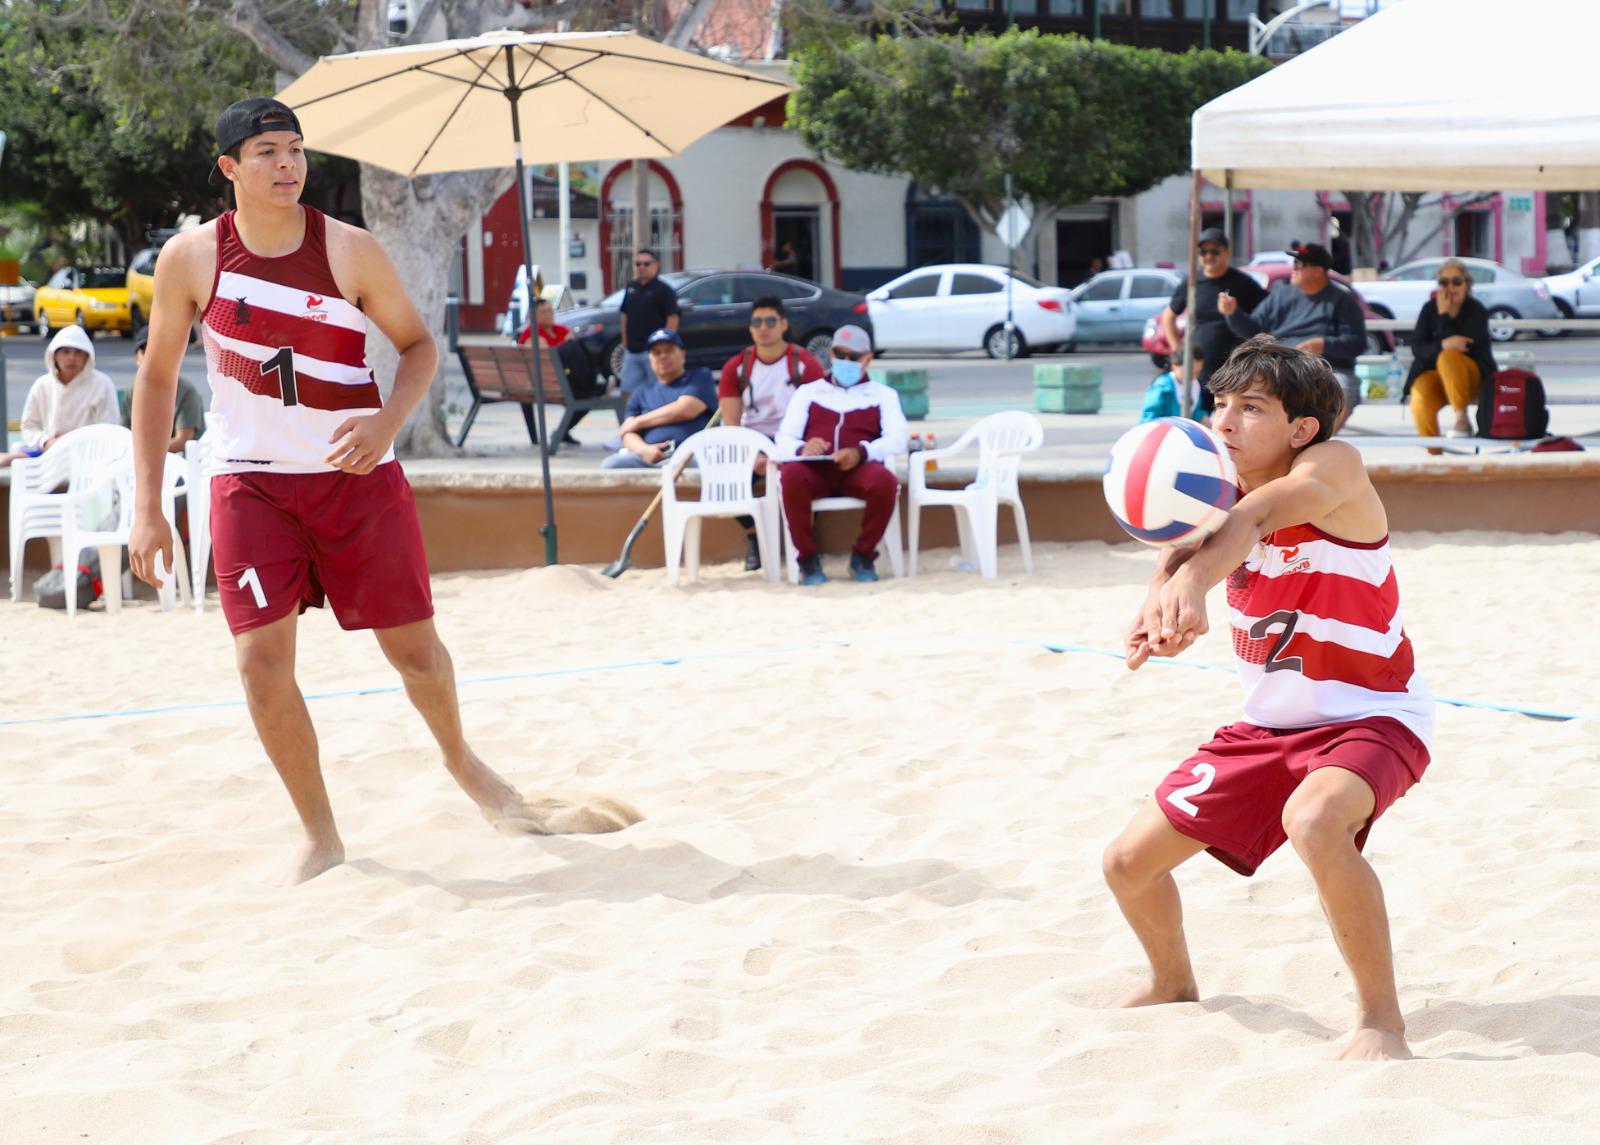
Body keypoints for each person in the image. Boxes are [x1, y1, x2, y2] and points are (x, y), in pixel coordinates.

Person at [127, 96, 636, 885]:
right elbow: (158, 375)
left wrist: (386, 423)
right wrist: (148, 505)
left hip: (357, 483)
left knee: (418, 657)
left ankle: (464, 763)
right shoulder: (190, 259)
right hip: (249, 486)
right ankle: (321, 834)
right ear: (229, 169)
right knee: (260, 665)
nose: (288, 164)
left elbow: (419, 346)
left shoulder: (350, 250)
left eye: (295, 149)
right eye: (266, 152)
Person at [1102, 335, 1433, 1062]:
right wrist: (1160, 603)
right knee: (1127, 864)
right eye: (1220, 403)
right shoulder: (1214, 494)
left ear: (1300, 428)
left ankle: (1381, 1019)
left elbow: (1249, 523)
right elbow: (1191, 542)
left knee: (1314, 821)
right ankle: (1172, 982)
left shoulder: (1333, 468)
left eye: (1251, 407)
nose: (1224, 421)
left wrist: (1189, 585)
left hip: (1372, 716)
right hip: (1267, 729)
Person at [775, 324, 908, 586]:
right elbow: (783, 438)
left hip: (859, 470)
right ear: (831, 355)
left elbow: (897, 439)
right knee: (790, 476)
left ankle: (863, 555)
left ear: (867, 359)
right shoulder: (809, 392)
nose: (845, 362)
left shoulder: (883, 395)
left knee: (886, 483)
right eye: (840, 354)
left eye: (854, 357)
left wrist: (861, 452)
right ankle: (807, 558)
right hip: (816, 471)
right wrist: (804, 448)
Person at [716, 295, 827, 571]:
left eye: (770, 321)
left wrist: (791, 451)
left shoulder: (805, 363)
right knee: (723, 477)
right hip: (753, 440)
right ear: (750, 327)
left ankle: (808, 540)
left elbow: (820, 415)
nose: (763, 327)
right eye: (756, 321)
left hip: (795, 438)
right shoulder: (736, 367)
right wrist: (749, 455)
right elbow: (731, 425)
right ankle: (753, 535)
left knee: (811, 473)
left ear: (783, 324)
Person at [1220, 243, 1367, 433]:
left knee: (1343, 390)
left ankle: (1318, 443)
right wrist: (1233, 313)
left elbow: (1357, 342)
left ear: (1318, 271)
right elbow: (1254, 330)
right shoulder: (1280, 296)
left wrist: (1323, 345)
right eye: (1294, 264)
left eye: (1300, 265)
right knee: (1248, 391)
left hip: (1329, 369)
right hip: (1281, 366)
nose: (1294, 269)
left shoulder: (1342, 301)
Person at [1159, 227, 1267, 418]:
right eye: (1203, 252)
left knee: (1229, 417)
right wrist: (1179, 353)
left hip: (1235, 367)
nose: (1209, 256)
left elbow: (1267, 315)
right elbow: (1168, 316)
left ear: (1227, 253)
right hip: (1199, 369)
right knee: (1200, 418)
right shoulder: (1192, 282)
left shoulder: (1243, 282)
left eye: (1215, 251)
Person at [1404, 258, 1496, 442]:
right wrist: (1443, 344)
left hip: (1471, 379)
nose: (1450, 287)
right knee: (1420, 394)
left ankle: (1462, 418)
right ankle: (1434, 455)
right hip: (1436, 376)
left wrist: (1444, 317)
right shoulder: (1429, 309)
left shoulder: (1476, 311)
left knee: (1449, 357)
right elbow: (1417, 348)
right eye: (1444, 282)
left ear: (1466, 284)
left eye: (1456, 282)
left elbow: (1465, 347)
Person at [0, 325, 118, 467]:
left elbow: (108, 430)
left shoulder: (102, 385)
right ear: (54, 354)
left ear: (87, 356)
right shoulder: (42, 385)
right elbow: (29, 426)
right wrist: (46, 441)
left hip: (87, 456)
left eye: (78, 352)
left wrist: (72, 443)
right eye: (65, 352)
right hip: (47, 452)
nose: (72, 358)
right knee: (6, 461)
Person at [600, 328, 717, 469]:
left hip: (692, 455)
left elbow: (687, 409)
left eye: (669, 350)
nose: (663, 356)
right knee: (611, 465)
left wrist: (638, 421)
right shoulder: (641, 393)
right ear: (650, 358)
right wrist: (644, 450)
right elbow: (627, 432)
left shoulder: (699, 377)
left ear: (682, 354)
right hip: (650, 458)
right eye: (656, 352)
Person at [120, 326, 206, 453]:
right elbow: (124, 434)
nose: (151, 359)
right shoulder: (131, 393)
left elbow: (182, 441)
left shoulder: (186, 392)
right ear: (137, 358)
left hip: (182, 462)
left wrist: (145, 452)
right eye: (145, 352)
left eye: (157, 352)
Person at [617, 248, 678, 395]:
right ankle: (632, 417)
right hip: (632, 351)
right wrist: (625, 341)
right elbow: (624, 315)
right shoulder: (631, 287)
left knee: (658, 390)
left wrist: (665, 346)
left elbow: (673, 318)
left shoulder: (664, 290)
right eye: (638, 264)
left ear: (656, 265)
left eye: (646, 263)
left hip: (654, 351)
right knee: (627, 391)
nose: (641, 267)